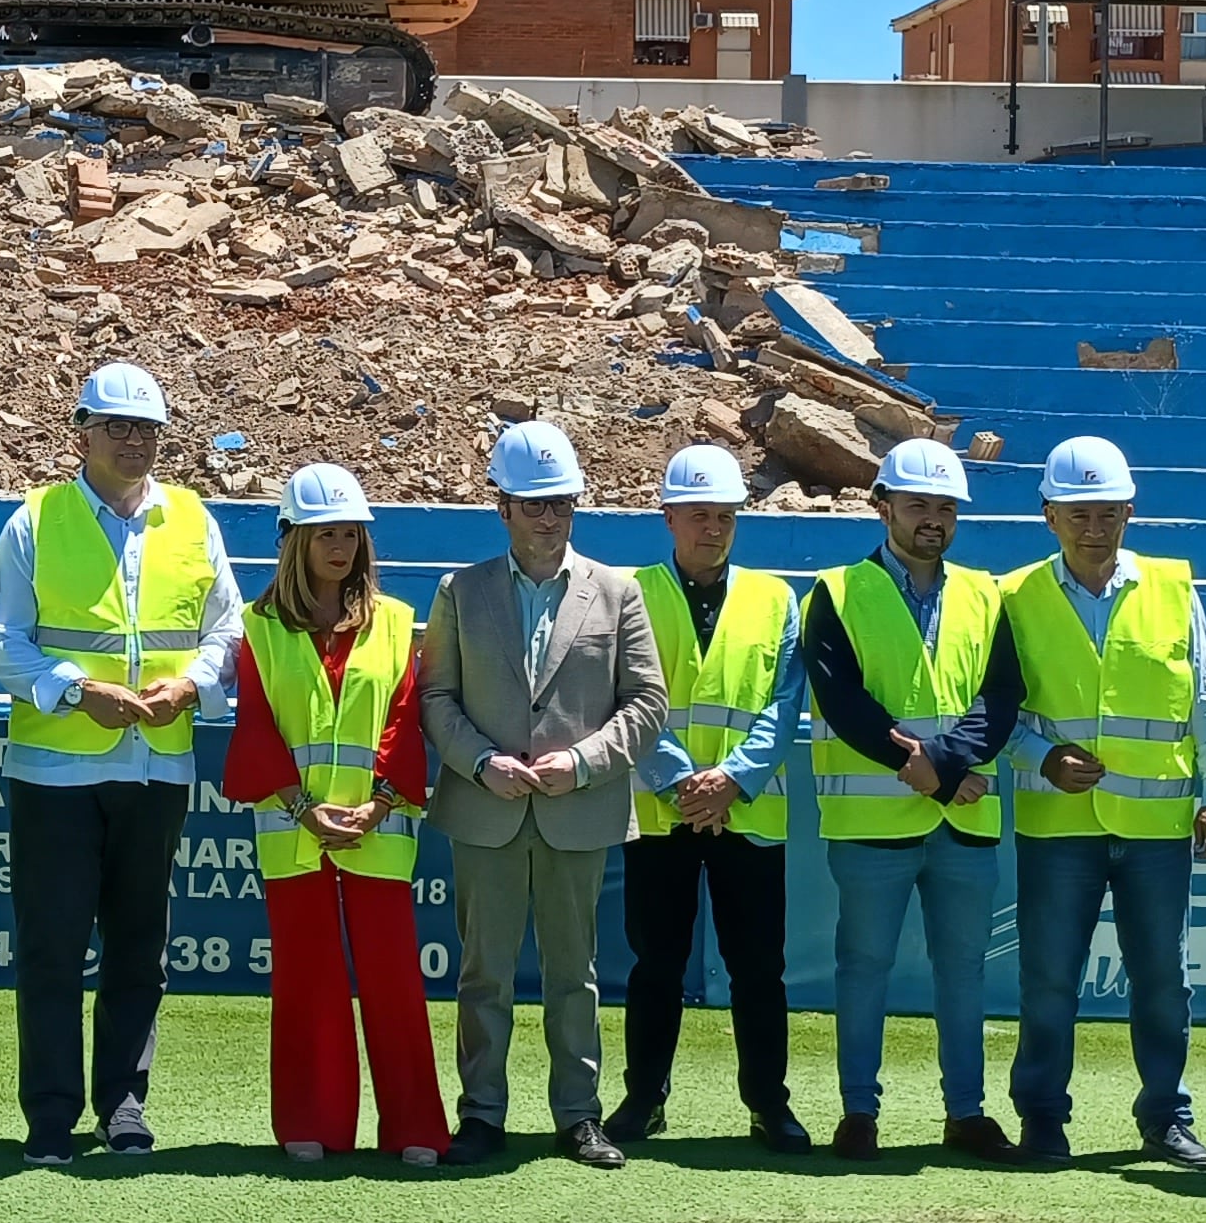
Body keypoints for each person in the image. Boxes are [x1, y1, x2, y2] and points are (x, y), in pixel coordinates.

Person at [0, 362, 242, 1168]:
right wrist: (71, 691)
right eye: (119, 427)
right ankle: (52, 1115)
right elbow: (2, 638)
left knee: (139, 948)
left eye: (148, 430)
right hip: (56, 774)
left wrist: (191, 686)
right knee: (53, 949)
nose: (135, 442)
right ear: (83, 433)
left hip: (155, 767)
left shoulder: (194, 519)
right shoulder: (35, 520)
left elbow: (226, 631)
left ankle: (124, 1105)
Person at [421, 421, 668, 1169]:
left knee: (576, 975)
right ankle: (482, 1114)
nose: (549, 518)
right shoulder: (459, 591)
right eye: (534, 505)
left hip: (577, 811)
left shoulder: (618, 592)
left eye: (561, 503)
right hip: (486, 807)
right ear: (501, 507)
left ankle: (578, 1116)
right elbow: (436, 696)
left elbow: (647, 703)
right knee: (483, 973)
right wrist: (481, 763)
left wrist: (585, 763)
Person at [1000, 436, 1206, 1171]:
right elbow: (990, 709)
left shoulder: (1173, 588)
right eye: (1077, 513)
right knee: (1047, 981)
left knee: (1164, 980)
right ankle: (1043, 1119)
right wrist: (1041, 757)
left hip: (1158, 824)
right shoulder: (1011, 596)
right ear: (1048, 515)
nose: (1092, 527)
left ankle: (1166, 1116)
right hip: (1056, 822)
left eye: (1106, 513)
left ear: (1130, 513)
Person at [804, 436, 1024, 1162]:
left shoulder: (987, 594)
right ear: (882, 506)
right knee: (862, 968)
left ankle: (966, 1111)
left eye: (944, 506)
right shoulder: (835, 591)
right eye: (918, 504)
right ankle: (858, 1113)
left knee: (963, 971)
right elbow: (841, 698)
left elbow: (1001, 697)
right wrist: (921, 764)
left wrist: (947, 762)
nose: (933, 518)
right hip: (874, 820)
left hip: (961, 817)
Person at [221, 464, 447, 1167]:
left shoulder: (395, 622)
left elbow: (405, 721)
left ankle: (415, 1129)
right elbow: (255, 727)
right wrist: (302, 807)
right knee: (305, 978)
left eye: (351, 532)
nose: (342, 546)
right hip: (293, 832)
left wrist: (379, 803)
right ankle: (311, 1124)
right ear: (293, 540)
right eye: (326, 533)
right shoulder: (256, 629)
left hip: (377, 832)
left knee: (394, 982)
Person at [613, 443, 812, 1152]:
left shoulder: (776, 598)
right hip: (662, 812)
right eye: (698, 515)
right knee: (655, 964)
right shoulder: (629, 593)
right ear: (668, 518)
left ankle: (769, 1104)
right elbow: (627, 698)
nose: (713, 528)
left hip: (748, 811)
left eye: (725, 515)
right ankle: (644, 1098)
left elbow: (785, 704)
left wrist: (732, 779)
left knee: (760, 967)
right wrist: (680, 780)